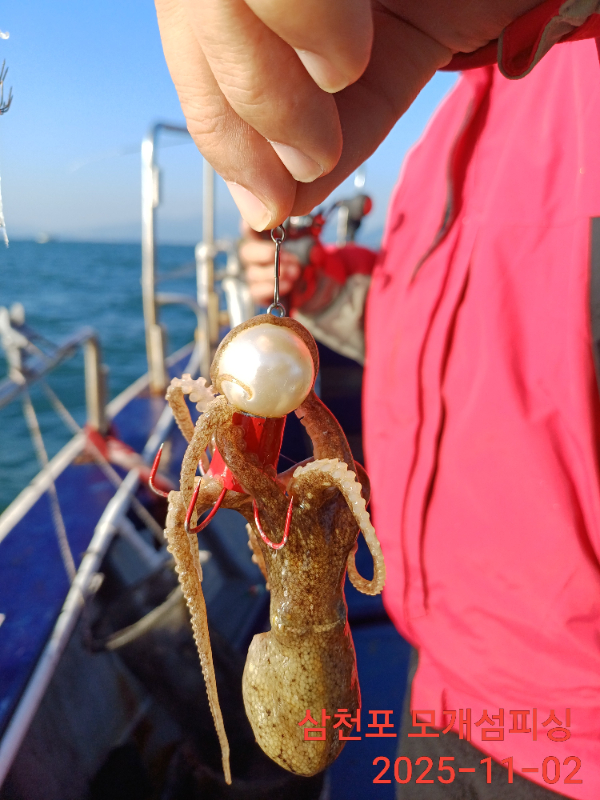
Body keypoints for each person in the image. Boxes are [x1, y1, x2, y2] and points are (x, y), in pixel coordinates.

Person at [154, 1, 600, 797]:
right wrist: (323, 289)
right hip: (441, 684)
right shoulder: (454, 97)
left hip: (575, 732)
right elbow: (432, 314)